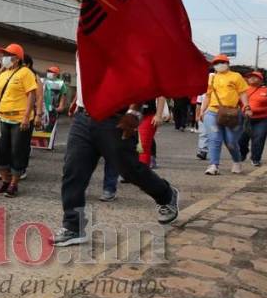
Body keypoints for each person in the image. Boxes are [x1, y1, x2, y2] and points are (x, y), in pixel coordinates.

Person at [52, 58, 179, 247]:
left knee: (129, 170)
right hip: (83, 117)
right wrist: (78, 101)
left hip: (115, 117)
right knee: (73, 170)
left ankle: (166, 194)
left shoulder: (117, 36)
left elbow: (140, 74)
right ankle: (73, 225)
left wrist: (135, 112)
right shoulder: (83, 36)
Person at [0, 44, 38, 198]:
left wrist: (26, 117)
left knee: (17, 151)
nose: (4, 58)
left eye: (7, 55)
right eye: (4, 55)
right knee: (0, 150)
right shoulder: (3, 74)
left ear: (16, 59)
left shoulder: (26, 73)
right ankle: (4, 182)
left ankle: (14, 184)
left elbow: (31, 95)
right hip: (3, 117)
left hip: (20, 119)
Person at [198, 55, 251, 175]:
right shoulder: (212, 78)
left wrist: (247, 106)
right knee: (215, 138)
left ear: (228, 63)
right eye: (216, 63)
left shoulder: (236, 76)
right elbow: (208, 95)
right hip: (212, 112)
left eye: (222, 62)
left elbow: (243, 93)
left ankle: (237, 161)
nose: (219, 64)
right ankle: (213, 165)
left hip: (231, 113)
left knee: (231, 142)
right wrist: (202, 111)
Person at [238, 71, 267, 167]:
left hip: (264, 119)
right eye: (250, 77)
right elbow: (236, 103)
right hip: (246, 119)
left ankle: (255, 158)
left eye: (255, 77)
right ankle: (243, 152)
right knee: (241, 139)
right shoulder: (242, 91)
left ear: (261, 80)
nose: (252, 78)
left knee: (259, 138)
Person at [18, 55, 45, 180]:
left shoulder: (35, 77)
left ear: (28, 64)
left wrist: (38, 114)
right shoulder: (13, 74)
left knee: (22, 143)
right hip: (12, 114)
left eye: (22, 63)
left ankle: (21, 168)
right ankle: (9, 168)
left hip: (28, 115)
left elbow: (39, 97)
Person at [43, 65, 68, 151]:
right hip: (43, 106)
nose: (49, 73)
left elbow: (63, 96)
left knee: (51, 125)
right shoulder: (44, 81)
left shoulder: (60, 83)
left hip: (53, 107)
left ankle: (49, 144)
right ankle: (40, 142)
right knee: (41, 125)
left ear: (56, 74)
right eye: (48, 71)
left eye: (51, 72)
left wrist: (61, 106)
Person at [137, 97, 166, 168]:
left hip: (147, 114)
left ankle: (142, 172)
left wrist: (158, 115)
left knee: (143, 146)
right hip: (130, 114)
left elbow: (161, 96)